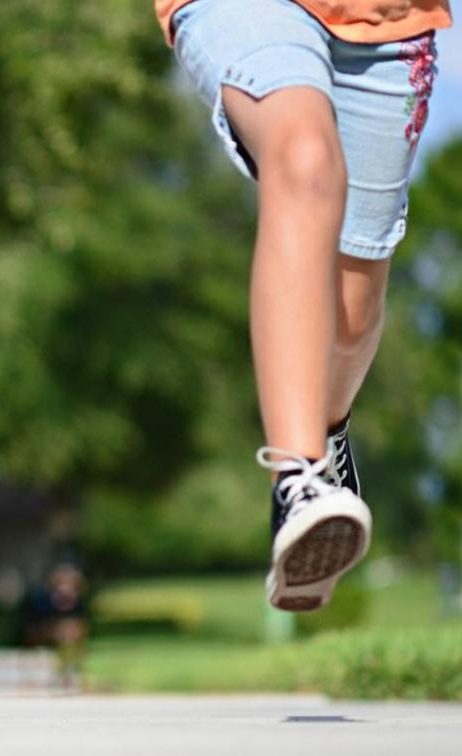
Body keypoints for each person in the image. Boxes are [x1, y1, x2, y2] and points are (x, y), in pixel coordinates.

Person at [153, 0, 451, 610]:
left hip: (388, 20)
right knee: (305, 159)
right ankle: (299, 478)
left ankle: (327, 437)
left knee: (351, 312)